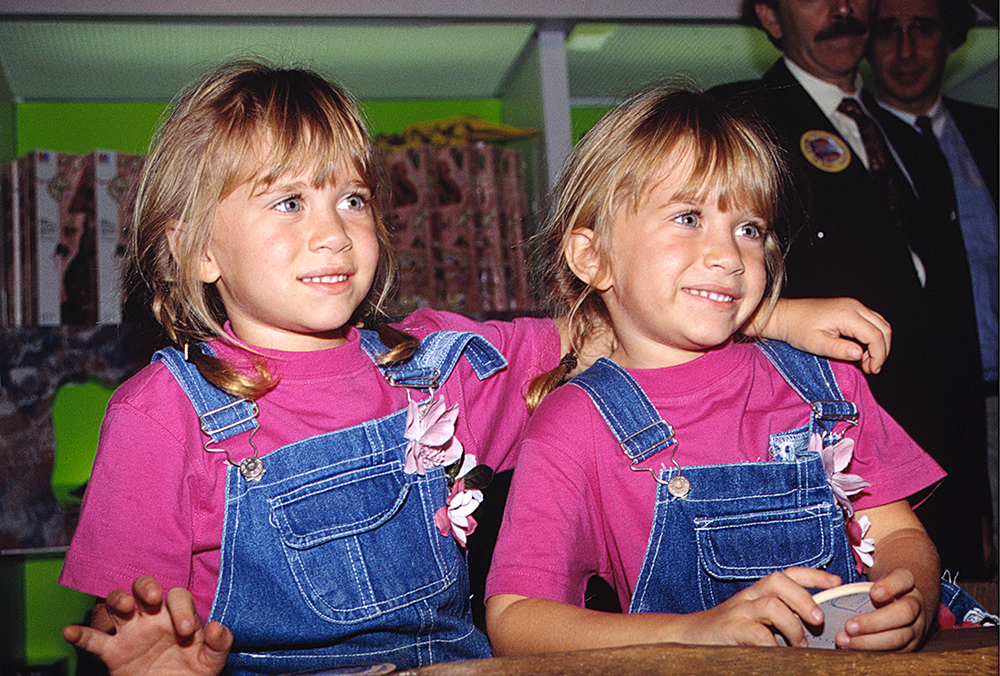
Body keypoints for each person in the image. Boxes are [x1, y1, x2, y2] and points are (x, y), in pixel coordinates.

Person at [58, 60, 894, 676]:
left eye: (351, 199)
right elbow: (129, 621)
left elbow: (611, 322)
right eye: (288, 202)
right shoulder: (160, 412)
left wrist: (766, 313)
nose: (332, 230)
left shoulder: (434, 367)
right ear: (195, 247)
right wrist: (153, 662)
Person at [484, 84, 995, 657]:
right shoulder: (575, 423)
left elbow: (898, 535)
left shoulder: (823, 385)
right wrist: (691, 632)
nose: (729, 255)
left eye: (749, 229)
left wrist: (911, 600)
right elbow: (516, 619)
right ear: (592, 256)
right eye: (688, 217)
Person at [713, 0, 990, 579]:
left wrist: (974, 500)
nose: (842, 9)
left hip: (937, 460)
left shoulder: (909, 139)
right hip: (820, 451)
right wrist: (774, 316)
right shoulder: (741, 118)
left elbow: (952, 333)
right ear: (769, 15)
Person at [867, 0, 998, 574]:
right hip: (928, 407)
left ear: (950, 37)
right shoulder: (859, 146)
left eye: (921, 29)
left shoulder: (990, 133)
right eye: (887, 31)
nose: (904, 50)